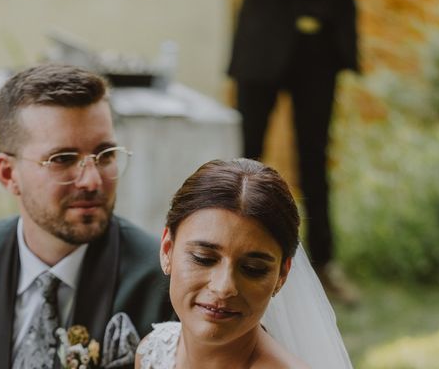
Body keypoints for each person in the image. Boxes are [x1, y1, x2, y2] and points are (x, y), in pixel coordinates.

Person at [0, 64, 173, 369]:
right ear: (8, 174)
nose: (92, 181)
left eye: (106, 155)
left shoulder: (163, 280)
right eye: (63, 159)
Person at [227, 0, 378, 303]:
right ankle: (240, 258)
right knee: (246, 162)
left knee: (315, 158)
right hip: (264, 46)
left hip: (323, 47)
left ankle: (324, 265)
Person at [136, 158, 352, 368]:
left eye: (253, 269)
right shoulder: (153, 354)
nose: (224, 288)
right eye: (204, 258)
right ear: (167, 250)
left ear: (281, 276)